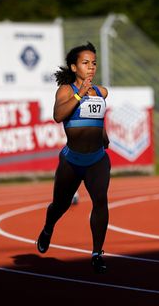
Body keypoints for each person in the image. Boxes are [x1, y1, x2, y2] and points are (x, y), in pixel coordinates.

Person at [36, 42, 111, 274]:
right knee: (61, 204)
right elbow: (58, 116)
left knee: (100, 201)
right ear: (74, 67)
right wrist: (79, 94)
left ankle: (97, 253)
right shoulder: (66, 91)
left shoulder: (102, 92)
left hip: (97, 159)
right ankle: (48, 228)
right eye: (85, 63)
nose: (91, 67)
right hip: (72, 160)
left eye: (94, 63)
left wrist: (104, 137)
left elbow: (97, 121)